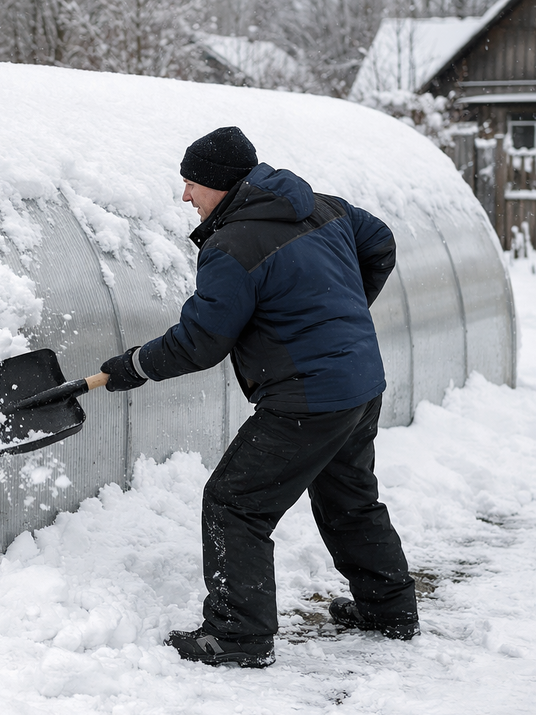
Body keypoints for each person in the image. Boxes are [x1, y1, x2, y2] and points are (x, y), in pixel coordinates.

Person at [101, 126, 419, 669]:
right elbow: (380, 242)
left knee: (235, 503)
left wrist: (134, 366)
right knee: (349, 498)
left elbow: (200, 342)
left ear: (221, 184)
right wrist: (340, 316)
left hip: (307, 398)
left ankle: (238, 635)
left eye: (192, 183)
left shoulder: (231, 247)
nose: (185, 195)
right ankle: (389, 609)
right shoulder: (323, 207)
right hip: (360, 384)